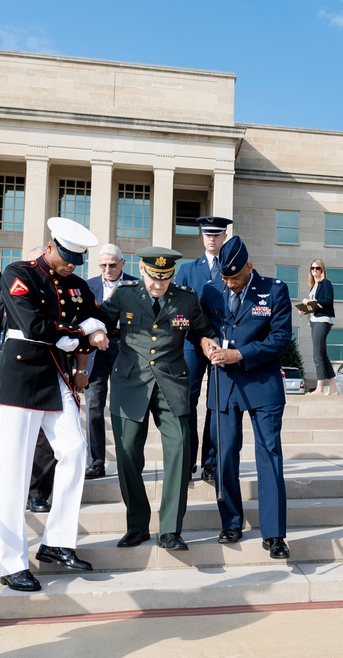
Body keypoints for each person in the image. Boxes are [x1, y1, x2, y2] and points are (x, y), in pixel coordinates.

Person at [0, 218, 109, 593]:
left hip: (56, 377)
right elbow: (34, 326)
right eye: (66, 259)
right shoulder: (21, 273)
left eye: (76, 261)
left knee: (76, 452)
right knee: (16, 472)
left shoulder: (78, 285)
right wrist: (84, 333)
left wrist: (94, 328)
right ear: (51, 247)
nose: (71, 266)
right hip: (20, 379)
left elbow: (99, 317)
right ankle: (12, 562)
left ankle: (57, 543)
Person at [100, 247, 219, 553]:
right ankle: (137, 525)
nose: (158, 285)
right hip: (130, 383)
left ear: (172, 276)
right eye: (154, 278)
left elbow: (202, 330)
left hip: (172, 383)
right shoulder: (124, 295)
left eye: (164, 279)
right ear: (142, 270)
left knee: (179, 451)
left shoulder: (186, 298)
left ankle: (170, 530)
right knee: (127, 454)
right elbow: (99, 321)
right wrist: (95, 334)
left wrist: (208, 343)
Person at [200, 236, 292, 558]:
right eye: (225, 278)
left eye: (235, 278)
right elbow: (203, 327)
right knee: (225, 457)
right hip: (224, 385)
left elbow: (281, 338)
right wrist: (207, 343)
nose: (230, 284)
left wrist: (240, 354)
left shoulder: (274, 290)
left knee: (269, 456)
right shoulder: (212, 289)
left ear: (249, 268)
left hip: (262, 384)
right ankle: (231, 522)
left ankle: (275, 533)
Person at [0, 247, 58, 515]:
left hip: (48, 366)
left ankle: (38, 492)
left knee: (42, 433)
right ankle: (22, 472)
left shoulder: (53, 292)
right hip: (13, 365)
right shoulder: (12, 289)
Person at [174, 215, 232, 482]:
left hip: (224, 344)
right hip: (193, 344)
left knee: (216, 403)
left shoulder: (232, 266)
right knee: (188, 401)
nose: (211, 238)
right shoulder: (187, 269)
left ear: (224, 238)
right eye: (207, 234)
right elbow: (178, 311)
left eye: (216, 234)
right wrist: (198, 338)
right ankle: (186, 461)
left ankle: (210, 461)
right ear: (202, 237)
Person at [83, 244, 136, 480]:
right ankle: (96, 462)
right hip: (95, 351)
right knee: (94, 405)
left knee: (124, 406)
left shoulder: (135, 285)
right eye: (103, 265)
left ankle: (129, 462)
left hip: (124, 349)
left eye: (112, 265)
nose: (108, 269)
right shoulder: (88, 286)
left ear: (122, 263)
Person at [300, 258, 338, 395]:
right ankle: (333, 386)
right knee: (322, 354)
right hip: (314, 320)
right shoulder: (313, 286)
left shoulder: (326, 283)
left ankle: (319, 388)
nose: (315, 270)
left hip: (323, 320)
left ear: (322, 270)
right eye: (312, 268)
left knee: (317, 354)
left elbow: (327, 302)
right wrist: (306, 310)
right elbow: (316, 306)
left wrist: (310, 301)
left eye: (317, 268)